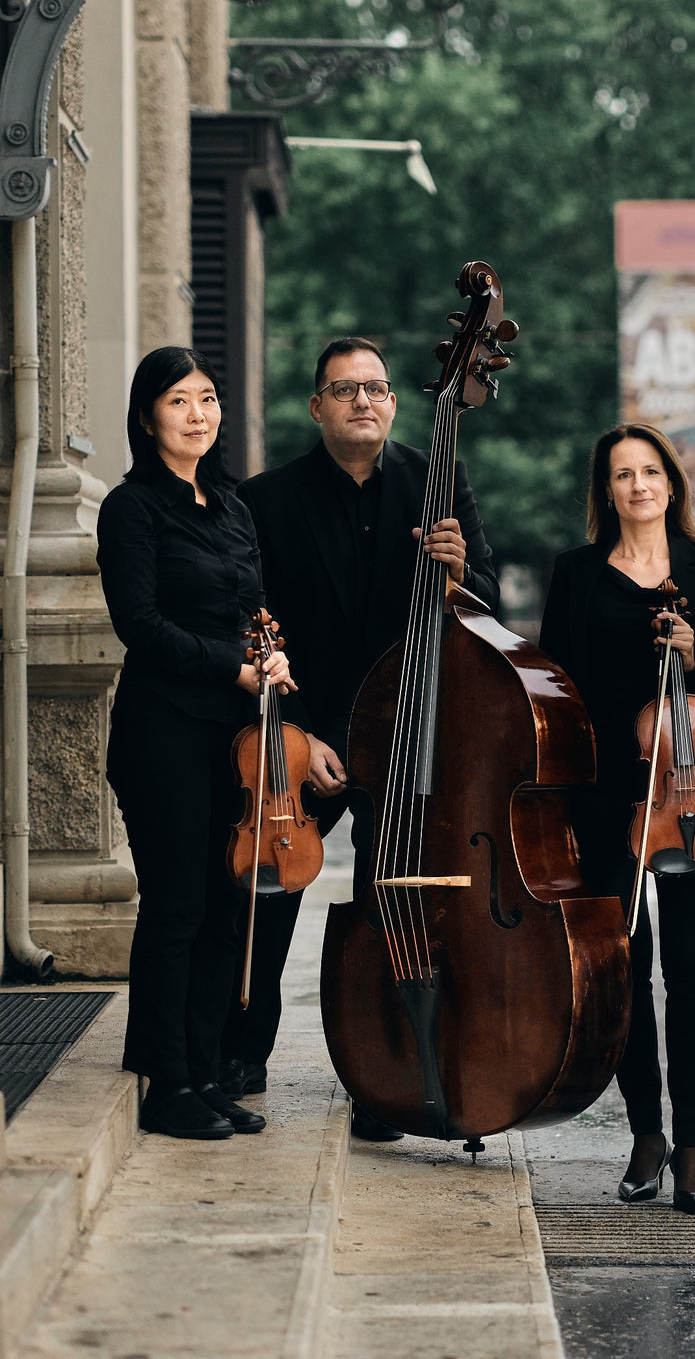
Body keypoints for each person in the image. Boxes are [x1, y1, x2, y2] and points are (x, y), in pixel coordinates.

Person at [219, 336, 499, 1135]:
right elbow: (251, 622)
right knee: (270, 896)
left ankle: (386, 1077)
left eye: (375, 388)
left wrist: (460, 575)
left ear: (396, 402)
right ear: (317, 407)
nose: (363, 401)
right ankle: (243, 1053)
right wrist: (301, 737)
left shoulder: (436, 479)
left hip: (405, 730)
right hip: (307, 732)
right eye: (344, 390)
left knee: (393, 904)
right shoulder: (267, 500)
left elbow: (487, 593)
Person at [539, 423, 695, 1212]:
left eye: (649, 471)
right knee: (627, 966)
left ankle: (691, 1144)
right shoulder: (577, 574)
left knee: (693, 969)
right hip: (606, 797)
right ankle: (646, 1134)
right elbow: (556, 689)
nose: (638, 485)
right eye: (622, 474)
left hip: (690, 794)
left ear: (672, 482)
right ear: (607, 490)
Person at [97, 347, 295, 1141]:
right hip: (164, 730)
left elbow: (253, 609)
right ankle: (164, 1081)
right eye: (180, 401)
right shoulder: (131, 508)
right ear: (150, 417)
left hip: (235, 735)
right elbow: (139, 626)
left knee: (225, 908)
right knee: (176, 906)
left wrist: (273, 656)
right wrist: (234, 668)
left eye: (208, 398)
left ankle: (206, 1073)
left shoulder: (233, 506)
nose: (199, 414)